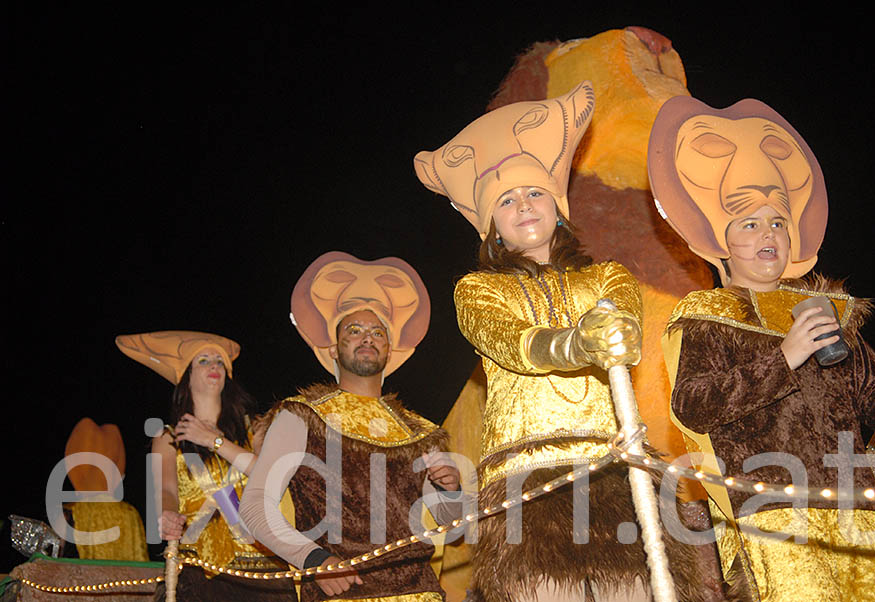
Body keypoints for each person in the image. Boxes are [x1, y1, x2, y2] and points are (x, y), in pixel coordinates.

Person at [415, 81, 705, 602]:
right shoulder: (477, 289)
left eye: (534, 193)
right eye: (507, 200)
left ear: (558, 206)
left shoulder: (609, 277)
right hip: (526, 482)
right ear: (493, 229)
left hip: (616, 474)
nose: (524, 205)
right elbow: (507, 339)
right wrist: (576, 343)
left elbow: (628, 338)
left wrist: (613, 336)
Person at [648, 95, 875, 600]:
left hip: (861, 520)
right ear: (721, 241)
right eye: (750, 223)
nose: (769, 232)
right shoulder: (708, 318)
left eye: (779, 223)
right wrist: (784, 357)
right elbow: (693, 407)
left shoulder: (830, 314)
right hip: (775, 514)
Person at [240, 251, 463, 602]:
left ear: (389, 350)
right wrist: (313, 559)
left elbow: (452, 528)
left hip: (418, 592)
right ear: (332, 348)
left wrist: (451, 491)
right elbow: (254, 506)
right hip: (340, 592)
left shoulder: (420, 431)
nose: (367, 338)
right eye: (354, 331)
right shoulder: (301, 416)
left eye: (377, 332)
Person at [116, 330, 291, 601]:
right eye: (204, 360)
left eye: (219, 361)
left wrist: (214, 440)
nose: (214, 366)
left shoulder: (254, 428)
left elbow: (271, 474)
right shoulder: (167, 437)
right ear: (186, 377)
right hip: (198, 563)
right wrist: (167, 514)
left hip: (260, 563)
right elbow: (166, 490)